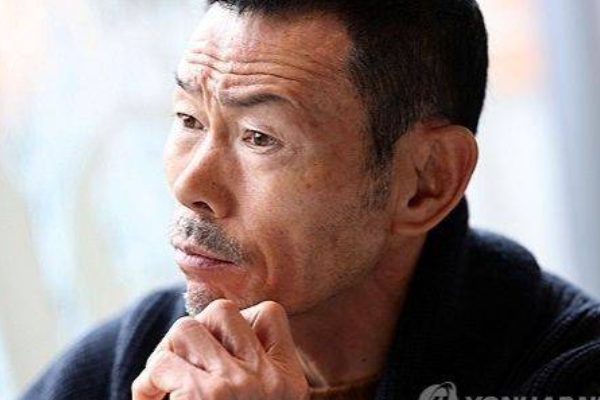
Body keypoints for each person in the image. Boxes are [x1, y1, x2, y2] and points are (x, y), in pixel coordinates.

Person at [18, 0, 600, 399]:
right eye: (189, 119)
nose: (190, 185)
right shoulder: (132, 359)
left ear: (428, 182)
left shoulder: (567, 370)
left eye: (259, 138)